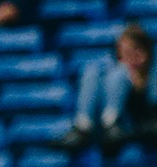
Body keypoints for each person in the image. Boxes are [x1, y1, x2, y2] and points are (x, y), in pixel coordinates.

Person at [56, 23, 157, 152]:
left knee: (119, 74)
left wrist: (139, 84)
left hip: (134, 128)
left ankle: (112, 124)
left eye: (136, 50)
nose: (131, 57)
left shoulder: (152, 75)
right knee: (91, 72)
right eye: (126, 52)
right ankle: (83, 126)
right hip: (104, 129)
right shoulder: (113, 75)